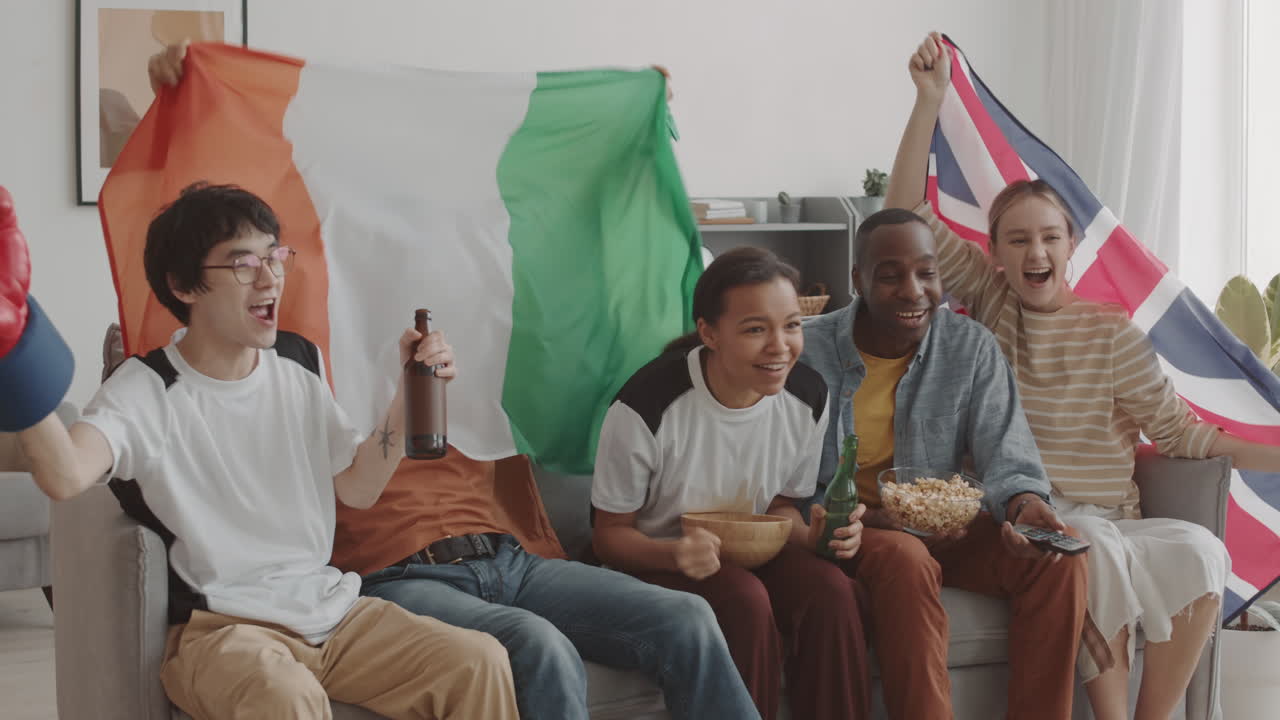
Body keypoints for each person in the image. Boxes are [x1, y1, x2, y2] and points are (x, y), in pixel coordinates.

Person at [142, 44, 760, 720]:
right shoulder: (299, 337)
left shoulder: (501, 313)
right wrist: (185, 99)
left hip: (512, 555)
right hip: (396, 571)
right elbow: (217, 265)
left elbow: (599, 251)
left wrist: (635, 127)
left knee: (688, 619)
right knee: (540, 649)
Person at [885, 32, 1280, 720]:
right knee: (1082, 546)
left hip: (1109, 520)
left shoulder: (1113, 333)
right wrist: (928, 103)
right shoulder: (992, 299)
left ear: (1071, 246)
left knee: (1199, 549)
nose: (1035, 251)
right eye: (1018, 240)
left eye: (1049, 237)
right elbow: (901, 220)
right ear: (998, 255)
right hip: (1028, 518)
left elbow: (1185, 436)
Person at [17, 182, 518, 720]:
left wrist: (410, 393)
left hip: (334, 614)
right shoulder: (145, 389)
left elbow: (358, 486)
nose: (270, 278)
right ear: (184, 286)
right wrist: (13, 360)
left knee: (479, 659)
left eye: (275, 257)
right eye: (243, 263)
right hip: (223, 632)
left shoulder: (298, 362)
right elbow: (65, 475)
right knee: (285, 696)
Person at [800, 207, 1089, 720]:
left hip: (944, 527)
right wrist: (866, 519)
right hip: (857, 530)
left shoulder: (968, 346)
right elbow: (788, 487)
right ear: (858, 280)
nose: (914, 291)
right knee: (907, 559)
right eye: (889, 276)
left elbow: (1008, 451)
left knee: (1057, 558)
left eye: (926, 273)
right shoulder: (808, 350)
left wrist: (1025, 505)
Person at [592, 246, 872, 720]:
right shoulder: (646, 404)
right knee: (743, 599)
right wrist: (673, 554)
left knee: (833, 591)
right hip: (655, 561)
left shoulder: (808, 396)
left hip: (749, 552)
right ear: (709, 333)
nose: (780, 346)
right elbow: (607, 537)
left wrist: (819, 536)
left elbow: (781, 508)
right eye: (755, 329)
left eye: (791, 325)